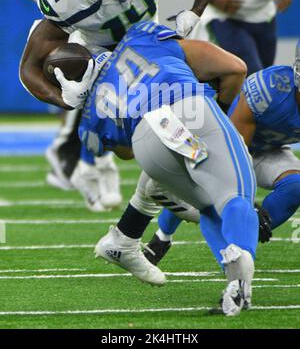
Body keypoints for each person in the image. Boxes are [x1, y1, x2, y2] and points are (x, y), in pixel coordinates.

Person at [19, 0, 235, 210]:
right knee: (130, 149)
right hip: (103, 59)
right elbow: (28, 68)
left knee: (230, 71)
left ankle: (209, 160)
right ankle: (102, 163)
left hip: (150, 39)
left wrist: (195, 11)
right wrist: (66, 99)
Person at [77, 20, 258, 316]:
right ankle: (240, 278)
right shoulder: (140, 37)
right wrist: (218, 118)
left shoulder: (90, 113)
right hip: (188, 108)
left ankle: (234, 284)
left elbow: (124, 153)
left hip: (146, 142)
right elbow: (235, 68)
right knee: (235, 196)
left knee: (209, 208)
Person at [9, 0, 135, 203]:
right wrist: (50, 0)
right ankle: (86, 162)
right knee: (87, 81)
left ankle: (80, 158)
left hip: (117, 5)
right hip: (73, 15)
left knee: (114, 88)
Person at [144, 37, 300, 269]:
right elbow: (235, 147)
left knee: (296, 185)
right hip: (226, 143)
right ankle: (161, 237)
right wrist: (246, 199)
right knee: (197, 188)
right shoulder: (271, 89)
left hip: (270, 150)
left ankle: (244, 241)